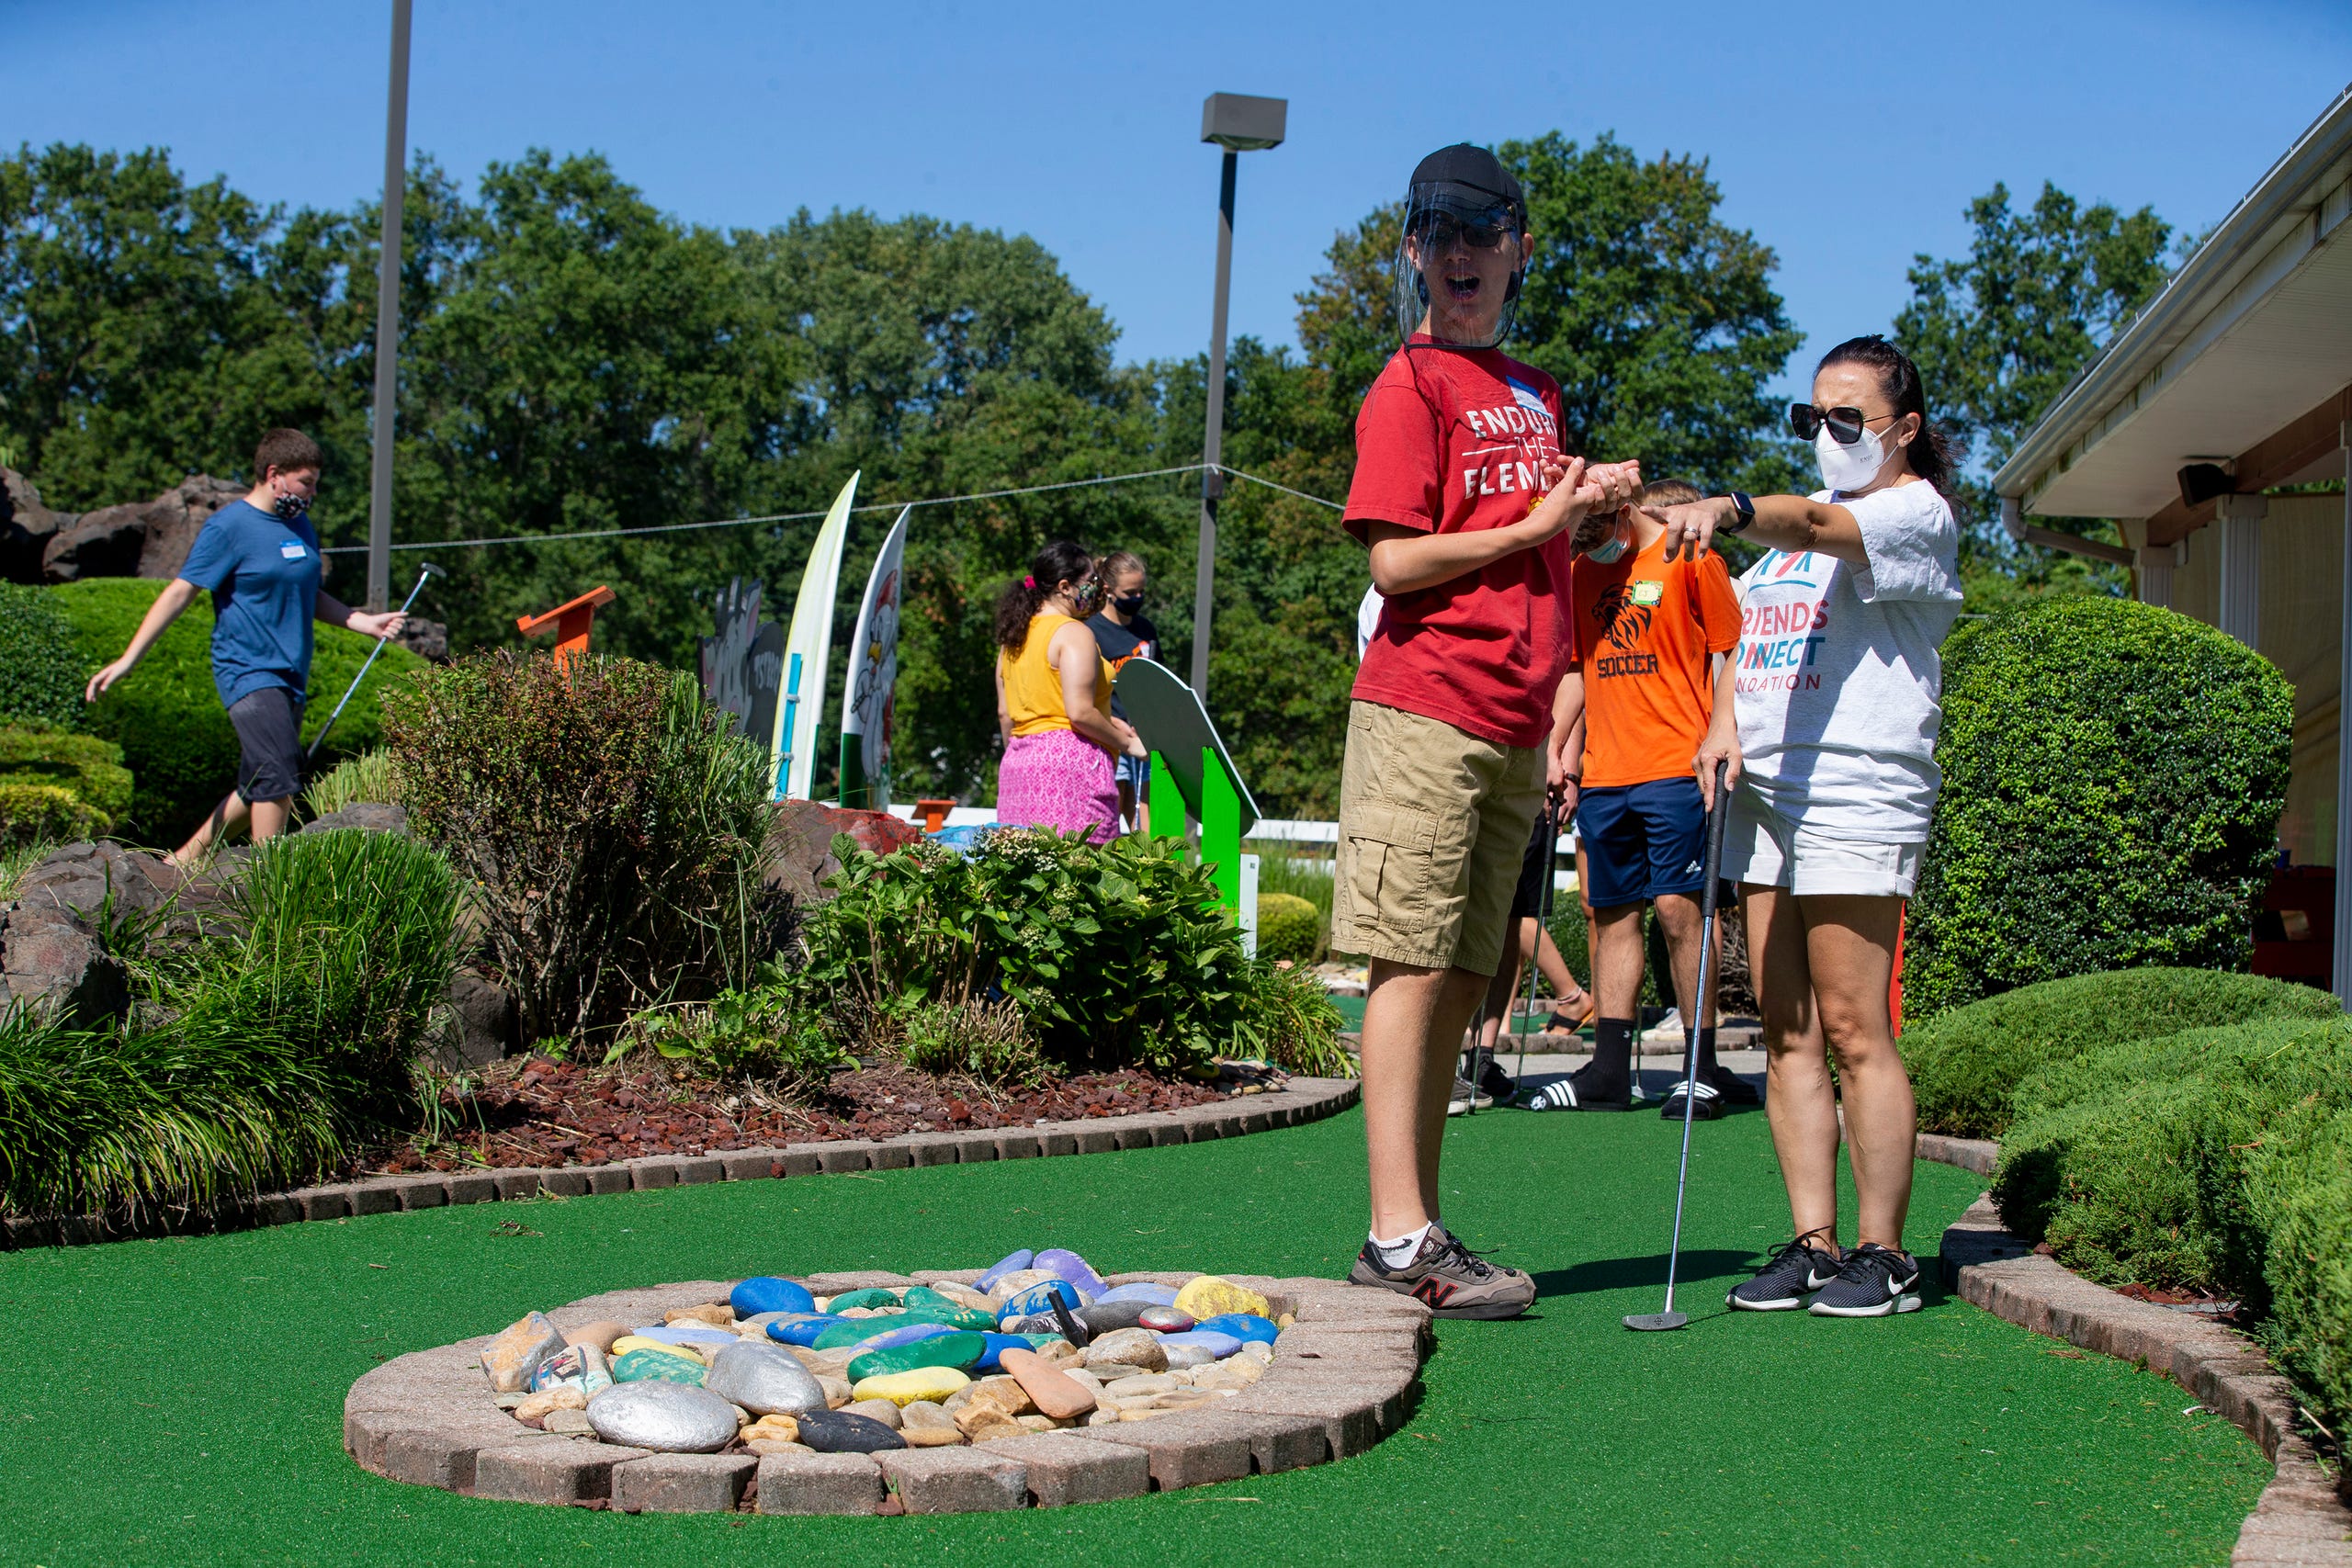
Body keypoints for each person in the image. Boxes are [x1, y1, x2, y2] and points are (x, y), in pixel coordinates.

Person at [1335, 141, 1639, 1317]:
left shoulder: (1533, 390)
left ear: (1519, 249)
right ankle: (1396, 1236)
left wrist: (1593, 524)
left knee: (1467, 968)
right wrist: (1531, 528)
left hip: (1516, 719)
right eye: (1438, 236)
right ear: (1414, 251)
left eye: (1483, 234)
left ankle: (1417, 1230)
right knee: (1408, 962)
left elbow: (1551, 537)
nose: (1460, 255)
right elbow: (1394, 559)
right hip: (1425, 703)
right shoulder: (1407, 387)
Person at [1651, 334, 1963, 1318]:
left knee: (1855, 1026)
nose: (1825, 434)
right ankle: (1813, 1245)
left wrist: (1733, 508)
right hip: (1768, 796)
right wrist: (1718, 724)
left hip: (1856, 787)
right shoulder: (1784, 552)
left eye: (1847, 419)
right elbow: (1735, 643)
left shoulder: (1911, 514)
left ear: (1901, 429)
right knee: (1782, 1030)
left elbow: (1815, 518)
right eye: (1810, 418)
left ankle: (1886, 1253)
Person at [1523, 478, 1753, 1120]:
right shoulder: (1579, 571)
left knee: (1681, 912)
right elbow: (1577, 666)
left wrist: (1720, 728)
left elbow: (1730, 648)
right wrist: (1557, 746)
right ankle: (1607, 1071)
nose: (1589, 552)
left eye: (1596, 536)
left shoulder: (1693, 556)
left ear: (1622, 511)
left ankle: (1699, 1068)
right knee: (1611, 915)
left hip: (1679, 766)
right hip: (1605, 773)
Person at [83, 427, 408, 865]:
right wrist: (129, 659)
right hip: (247, 670)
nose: (313, 492)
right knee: (278, 776)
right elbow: (180, 592)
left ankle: (178, 863)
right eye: (306, 482)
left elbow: (307, 592)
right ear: (274, 474)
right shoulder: (229, 527)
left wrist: (362, 621)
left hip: (291, 673)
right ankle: (270, 886)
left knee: (258, 780)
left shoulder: (299, 526)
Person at [993, 539, 1145, 844]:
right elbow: (1079, 712)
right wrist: (1128, 744)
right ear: (1064, 587)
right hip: (1070, 769)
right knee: (1080, 871)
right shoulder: (1073, 633)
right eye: (1090, 582)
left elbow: (1006, 713)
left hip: (1018, 764)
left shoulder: (1014, 637)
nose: (1096, 590)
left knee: (1024, 871)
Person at [1452, 803, 1600, 1113]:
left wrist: (1566, 771)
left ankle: (1482, 1057)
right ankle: (1446, 1058)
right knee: (1471, 908)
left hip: (1530, 793)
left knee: (1514, 916)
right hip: (1477, 786)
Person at [1084, 549, 1159, 832]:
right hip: (1109, 735)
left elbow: (1156, 681)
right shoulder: (1091, 631)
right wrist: (1114, 725)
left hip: (1143, 738)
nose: (1137, 598)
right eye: (1130, 592)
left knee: (1147, 826)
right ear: (1108, 590)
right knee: (1110, 817)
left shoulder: (1146, 629)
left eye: (1141, 591)